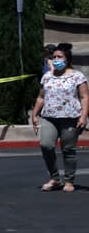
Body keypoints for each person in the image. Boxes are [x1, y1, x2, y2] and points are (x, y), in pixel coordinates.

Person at [31, 43, 88, 193]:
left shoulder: (77, 76)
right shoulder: (47, 76)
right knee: (46, 145)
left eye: (59, 57)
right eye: (54, 57)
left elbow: (84, 97)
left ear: (67, 59)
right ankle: (55, 178)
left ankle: (69, 181)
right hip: (49, 117)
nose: (56, 59)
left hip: (70, 117)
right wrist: (35, 114)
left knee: (68, 149)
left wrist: (83, 116)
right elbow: (41, 97)